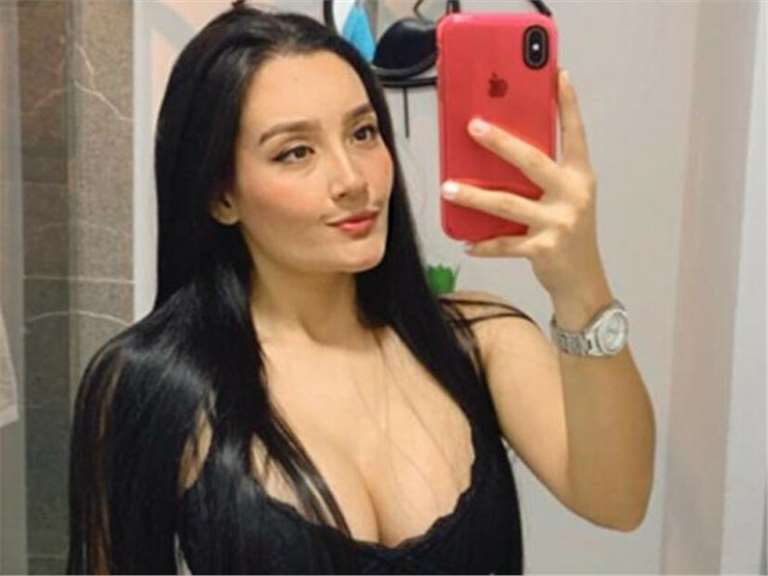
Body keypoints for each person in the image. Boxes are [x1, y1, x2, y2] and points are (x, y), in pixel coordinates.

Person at [66, 4, 655, 574]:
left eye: (363, 133)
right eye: (296, 152)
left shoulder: (477, 342)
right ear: (221, 196)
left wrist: (580, 283)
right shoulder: (154, 383)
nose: (353, 179)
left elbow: (618, 499)